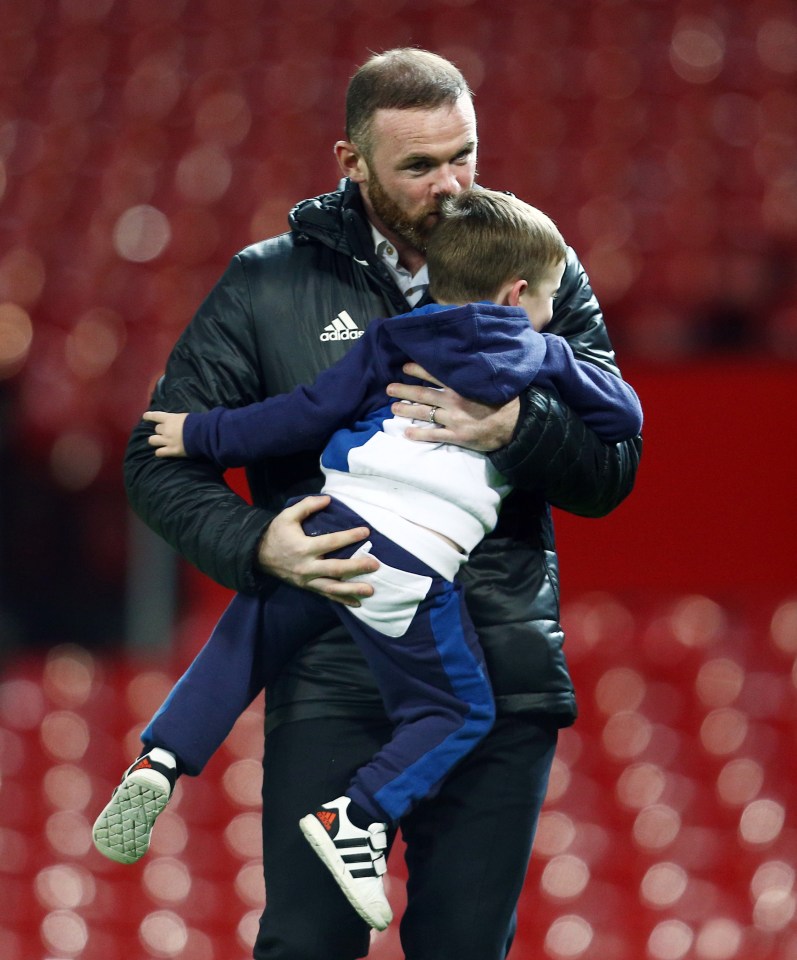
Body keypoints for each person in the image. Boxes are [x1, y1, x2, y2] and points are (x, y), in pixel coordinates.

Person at [119, 48, 642, 960]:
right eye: (418, 165)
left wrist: (514, 430)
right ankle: (162, 758)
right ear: (349, 162)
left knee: (462, 948)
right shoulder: (266, 284)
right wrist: (259, 545)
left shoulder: (537, 262)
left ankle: (171, 749)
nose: (450, 185)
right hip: (333, 671)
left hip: (501, 670)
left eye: (464, 156)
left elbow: (615, 462)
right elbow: (155, 455)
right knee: (307, 947)